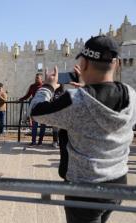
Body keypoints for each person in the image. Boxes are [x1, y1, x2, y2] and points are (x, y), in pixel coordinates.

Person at [29, 35, 136, 223]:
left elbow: (37, 111)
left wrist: (48, 86)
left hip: (84, 188)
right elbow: (103, 100)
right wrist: (87, 87)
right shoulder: (131, 95)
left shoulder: (75, 100)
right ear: (117, 64)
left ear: (84, 63)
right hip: (119, 182)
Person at [19, 73, 46, 146]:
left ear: (41, 79)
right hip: (35, 108)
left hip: (43, 108)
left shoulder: (45, 86)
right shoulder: (32, 86)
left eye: (37, 78)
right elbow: (28, 95)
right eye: (35, 78)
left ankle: (40, 141)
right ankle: (33, 141)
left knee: (43, 126)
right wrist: (21, 99)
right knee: (34, 125)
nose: (36, 79)